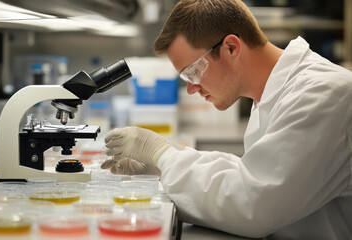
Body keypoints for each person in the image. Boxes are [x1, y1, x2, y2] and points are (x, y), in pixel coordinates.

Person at [102, 0, 352, 239]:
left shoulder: (323, 93)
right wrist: (162, 168)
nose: (191, 89)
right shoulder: (274, 93)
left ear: (231, 47)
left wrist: (164, 156)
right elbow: (252, 172)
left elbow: (255, 204)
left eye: (193, 72)